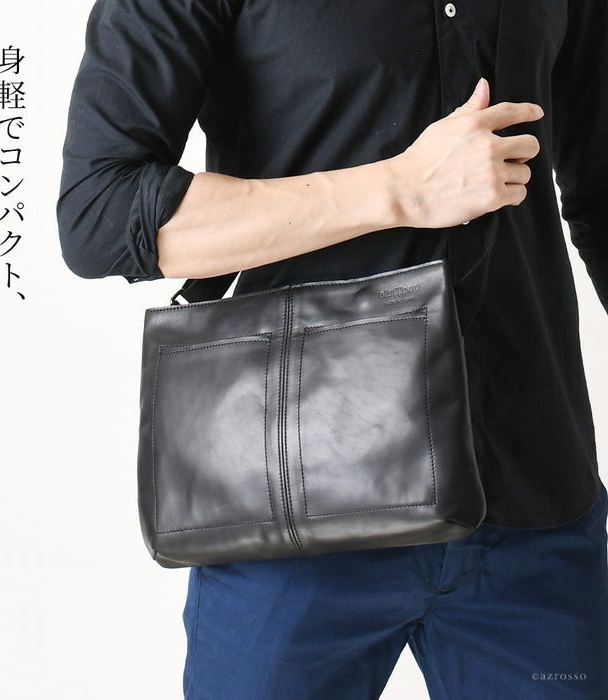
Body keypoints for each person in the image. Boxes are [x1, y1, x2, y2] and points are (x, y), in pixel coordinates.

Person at [57, 1, 608, 697]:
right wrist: (398, 189)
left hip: (533, 505)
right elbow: (100, 213)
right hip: (294, 515)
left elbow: (601, 191)